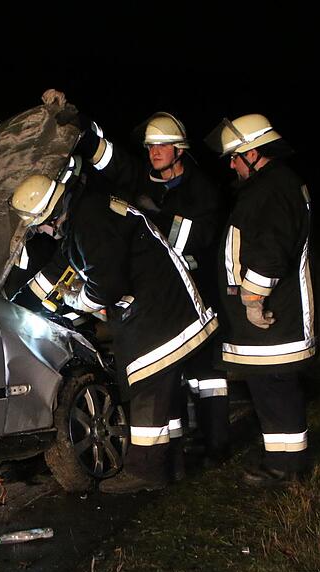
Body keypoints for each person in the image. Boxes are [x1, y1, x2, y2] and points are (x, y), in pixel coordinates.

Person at [42, 89, 229, 472]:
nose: (153, 153)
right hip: (161, 293)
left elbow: (194, 239)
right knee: (167, 381)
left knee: (207, 380)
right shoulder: (142, 181)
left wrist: (146, 229)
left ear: (180, 150)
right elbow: (107, 158)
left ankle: (215, 446)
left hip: (197, 291)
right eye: (150, 147)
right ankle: (174, 453)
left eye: (162, 147)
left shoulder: (202, 191)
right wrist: (73, 121)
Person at [10, 168, 218, 494]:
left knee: (147, 389)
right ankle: (171, 465)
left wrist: (76, 299)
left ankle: (144, 471)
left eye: (40, 225)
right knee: (163, 394)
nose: (44, 232)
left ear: (49, 215)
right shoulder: (85, 213)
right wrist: (17, 304)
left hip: (159, 313)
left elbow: (105, 285)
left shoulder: (88, 222)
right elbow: (57, 270)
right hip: (163, 308)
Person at [204, 113, 316, 487]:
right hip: (272, 314)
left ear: (255, 152)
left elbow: (270, 250)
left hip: (274, 313)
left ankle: (288, 467)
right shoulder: (272, 185)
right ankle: (281, 461)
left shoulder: (272, 188)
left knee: (276, 388)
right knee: (269, 389)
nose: (232, 163)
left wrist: (253, 297)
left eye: (236, 155)